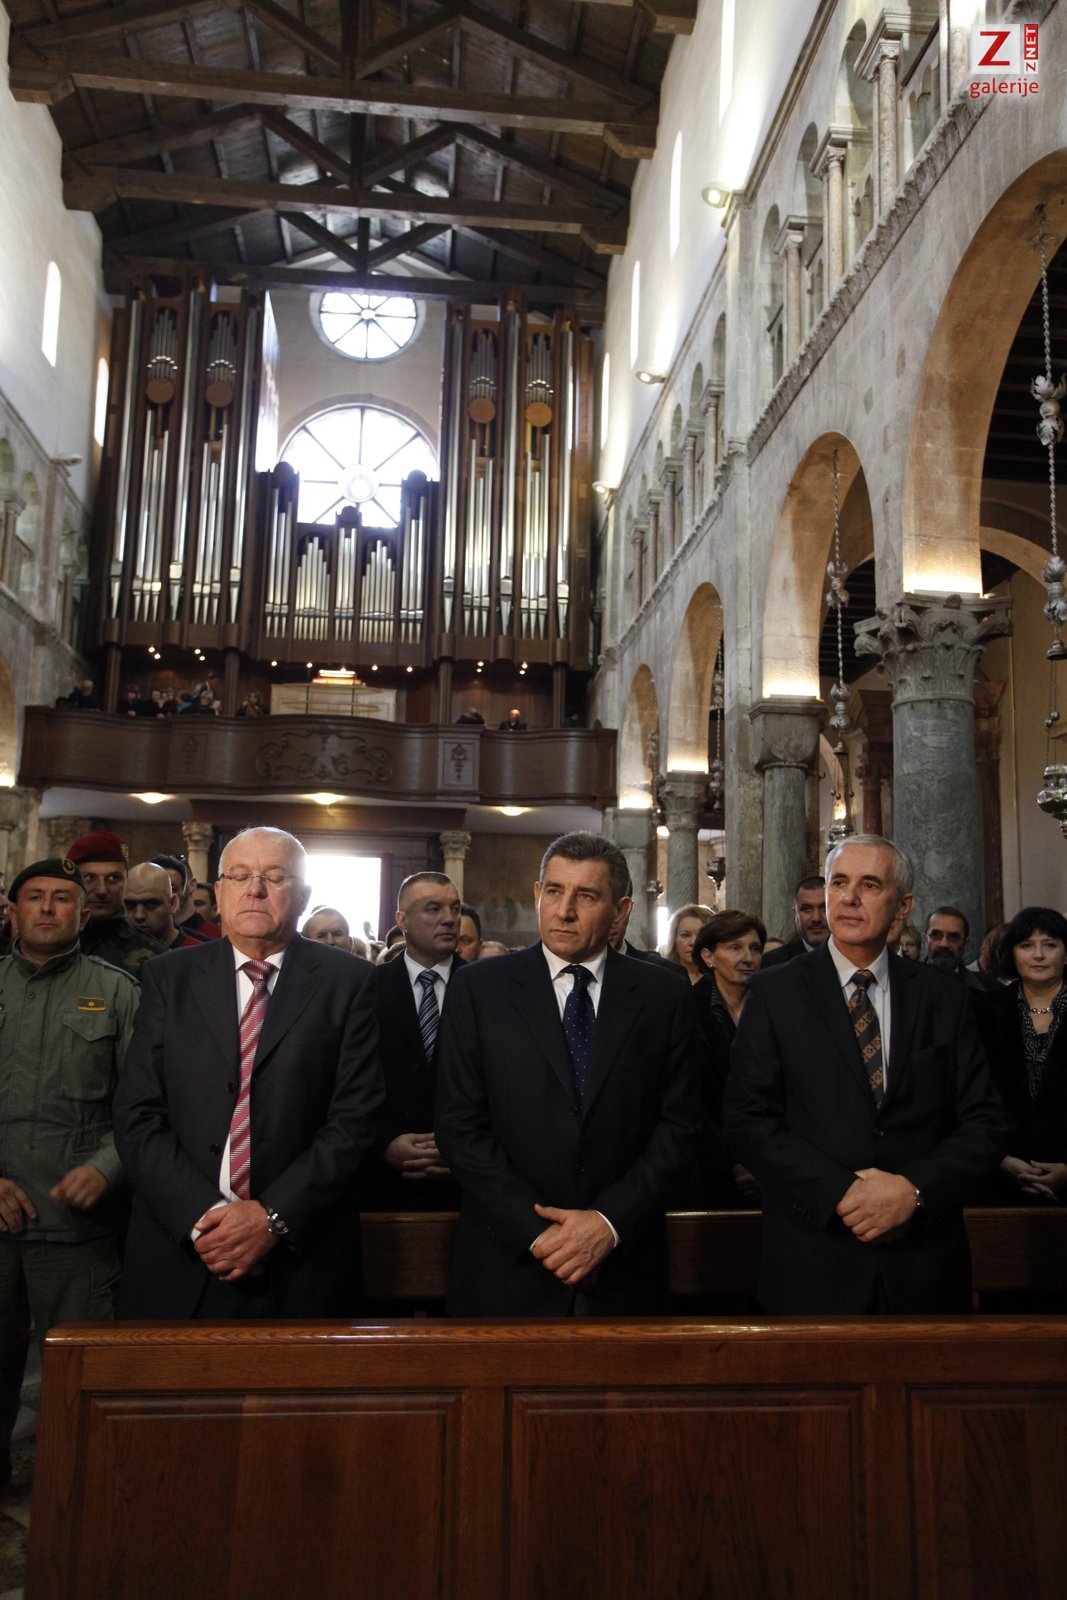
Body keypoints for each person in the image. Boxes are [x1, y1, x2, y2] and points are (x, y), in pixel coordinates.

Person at [724, 834, 1006, 1314]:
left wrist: (911, 1191)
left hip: (922, 1263)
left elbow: (985, 1123)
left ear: (903, 906)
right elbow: (748, 1119)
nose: (849, 897)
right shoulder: (775, 992)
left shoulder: (945, 997)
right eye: (839, 883)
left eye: (870, 885)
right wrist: (843, 1193)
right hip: (814, 1259)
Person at [112, 826, 385, 1319]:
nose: (254, 889)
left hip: (302, 1259)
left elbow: (356, 1121)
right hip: (182, 1253)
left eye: (274, 877)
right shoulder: (169, 977)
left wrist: (270, 1218)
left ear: (303, 895)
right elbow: (138, 1115)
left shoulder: (350, 982)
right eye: (239, 876)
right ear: (218, 893)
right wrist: (207, 1218)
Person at [435, 831, 701, 1316]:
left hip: (623, 1264)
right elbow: (459, 1128)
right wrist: (539, 1235)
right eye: (554, 891)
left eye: (587, 896)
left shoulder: (663, 994)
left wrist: (607, 1223)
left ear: (621, 910)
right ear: (537, 894)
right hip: (507, 1264)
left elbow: (681, 1127)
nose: (565, 910)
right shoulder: (479, 989)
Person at [0, 857, 138, 1489]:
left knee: (80, 1382)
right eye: (35, 897)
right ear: (12, 912)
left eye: (62, 899)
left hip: (77, 1228)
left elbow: (145, 1105)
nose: (48, 909)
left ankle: (71, 1504)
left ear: (83, 917)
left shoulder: (118, 992)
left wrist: (106, 1168)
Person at [367, 873, 464, 1210]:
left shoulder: (487, 988)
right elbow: (349, 1083)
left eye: (455, 908)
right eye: (433, 909)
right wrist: (382, 1144)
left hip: (467, 1182)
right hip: (382, 1183)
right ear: (402, 920)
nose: (449, 919)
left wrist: (461, 1146)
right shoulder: (368, 988)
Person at [978, 907, 1067, 1206]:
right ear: (1012, 954)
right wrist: (999, 1159)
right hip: (997, 1176)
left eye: (1050, 945)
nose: (1038, 955)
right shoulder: (984, 1011)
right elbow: (969, 1094)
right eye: (1027, 945)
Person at [689, 910, 766, 1206]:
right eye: (735, 948)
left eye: (755, 948)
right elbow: (691, 1100)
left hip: (771, 1161)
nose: (748, 958)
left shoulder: (774, 1006)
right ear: (708, 956)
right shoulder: (688, 1010)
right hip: (707, 1166)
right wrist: (729, 1161)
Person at [66, 830, 167, 976]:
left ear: (127, 881)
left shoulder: (154, 955)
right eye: (89, 878)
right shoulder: (49, 946)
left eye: (114, 878)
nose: (102, 890)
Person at [123, 861, 204, 950]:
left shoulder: (200, 954)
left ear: (173, 904)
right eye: (129, 905)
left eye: (150, 904)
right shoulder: (116, 952)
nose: (139, 915)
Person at [759, 876, 829, 968]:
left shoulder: (849, 958)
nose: (816, 918)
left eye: (824, 908)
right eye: (807, 909)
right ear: (795, 913)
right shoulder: (772, 963)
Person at [923, 905, 993, 992]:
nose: (944, 944)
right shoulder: (908, 985)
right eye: (936, 935)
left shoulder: (987, 989)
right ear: (925, 939)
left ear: (965, 944)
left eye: (953, 937)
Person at [660, 903, 713, 983]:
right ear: (674, 940)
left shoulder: (720, 981)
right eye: (685, 935)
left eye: (700, 935)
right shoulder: (661, 977)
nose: (693, 942)